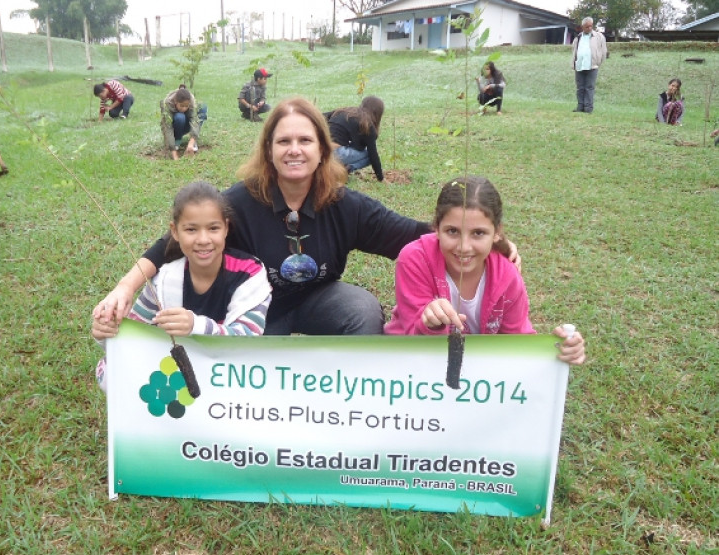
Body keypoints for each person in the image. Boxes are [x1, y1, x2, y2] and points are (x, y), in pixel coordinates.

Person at [92, 97, 522, 336]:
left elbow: (413, 236)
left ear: (322, 149)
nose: (294, 149)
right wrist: (125, 288)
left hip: (320, 301)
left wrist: (486, 241)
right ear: (269, 150)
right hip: (255, 313)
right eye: (283, 141)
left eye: (304, 140)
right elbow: (168, 246)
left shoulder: (345, 204)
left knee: (362, 308)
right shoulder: (240, 201)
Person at [384, 176, 586, 365]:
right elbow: (412, 338)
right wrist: (430, 324)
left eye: (478, 233)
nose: (464, 247)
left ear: (497, 233)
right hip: (411, 365)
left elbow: (517, 341)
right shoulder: (415, 259)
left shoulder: (507, 275)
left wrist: (557, 350)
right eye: (452, 231)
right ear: (436, 227)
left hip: (476, 371)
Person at [91, 181, 272, 389]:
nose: (203, 239)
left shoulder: (250, 275)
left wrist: (195, 326)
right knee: (111, 373)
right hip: (179, 369)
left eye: (213, 228)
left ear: (226, 229)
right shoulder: (167, 278)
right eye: (191, 229)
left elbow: (248, 341)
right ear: (175, 232)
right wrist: (106, 332)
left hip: (226, 373)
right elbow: (137, 332)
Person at [324, 96, 385, 181]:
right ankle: (345, 170)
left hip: (321, 149)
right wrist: (381, 178)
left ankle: (335, 169)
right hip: (336, 153)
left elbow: (321, 116)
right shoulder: (368, 125)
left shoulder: (344, 111)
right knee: (368, 155)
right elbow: (373, 155)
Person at [160, 85, 207, 160]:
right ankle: (177, 141)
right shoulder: (167, 104)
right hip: (176, 126)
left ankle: (193, 142)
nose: (184, 108)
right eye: (181, 106)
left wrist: (191, 141)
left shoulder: (191, 100)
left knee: (203, 107)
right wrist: (174, 153)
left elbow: (195, 120)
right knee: (180, 116)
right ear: (175, 101)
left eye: (186, 106)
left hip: (186, 124)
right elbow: (167, 128)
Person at [571, 17, 607, 114]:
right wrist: (574, 63)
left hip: (592, 66)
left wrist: (598, 62)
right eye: (587, 27)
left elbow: (604, 52)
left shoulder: (599, 37)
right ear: (583, 27)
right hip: (579, 66)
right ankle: (580, 106)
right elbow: (574, 51)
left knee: (589, 87)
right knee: (580, 88)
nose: (589, 28)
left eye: (591, 26)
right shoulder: (578, 37)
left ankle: (588, 108)